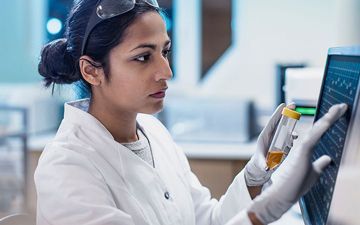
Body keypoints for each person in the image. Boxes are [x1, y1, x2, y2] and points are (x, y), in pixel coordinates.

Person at [34, 0, 348, 224]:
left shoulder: (153, 131)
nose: (166, 71)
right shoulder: (67, 167)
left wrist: (257, 174)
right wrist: (261, 214)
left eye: (165, 51)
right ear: (91, 70)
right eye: (143, 58)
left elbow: (208, 220)